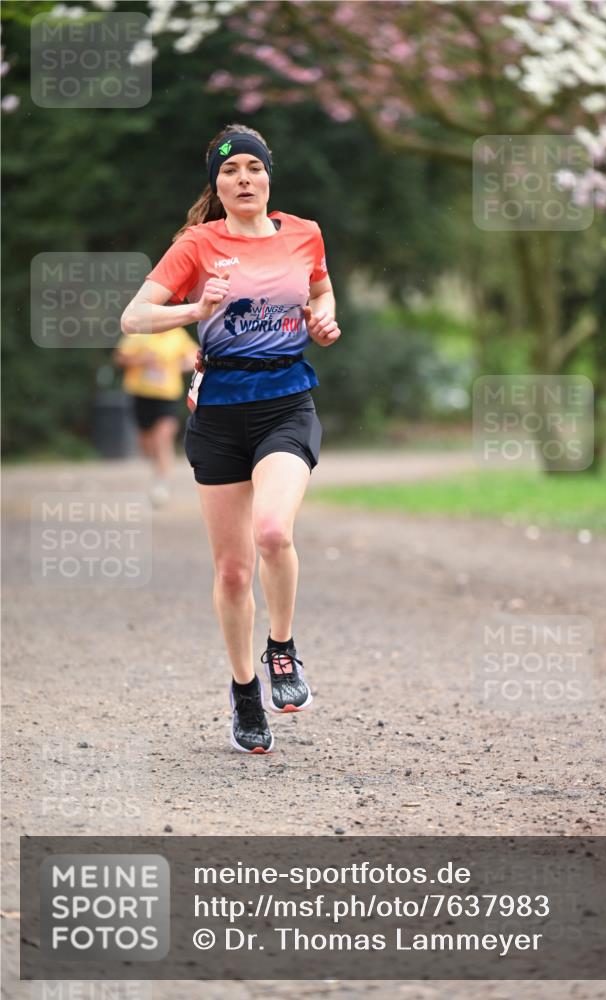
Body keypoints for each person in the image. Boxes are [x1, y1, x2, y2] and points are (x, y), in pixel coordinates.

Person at [120, 124, 341, 754]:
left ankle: (282, 648)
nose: (243, 179)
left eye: (253, 167)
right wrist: (195, 310)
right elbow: (134, 317)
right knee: (234, 570)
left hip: (286, 403)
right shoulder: (197, 244)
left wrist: (324, 319)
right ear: (216, 186)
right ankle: (245, 691)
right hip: (219, 413)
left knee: (273, 532)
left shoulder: (304, 233)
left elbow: (321, 289)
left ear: (268, 176)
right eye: (230, 171)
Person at [113, 327, 199, 506]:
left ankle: (161, 482)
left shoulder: (177, 334)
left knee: (163, 436)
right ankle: (157, 468)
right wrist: (141, 360)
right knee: (146, 442)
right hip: (141, 394)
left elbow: (195, 355)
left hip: (168, 395)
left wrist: (182, 364)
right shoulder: (139, 334)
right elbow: (119, 357)